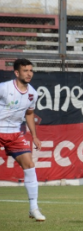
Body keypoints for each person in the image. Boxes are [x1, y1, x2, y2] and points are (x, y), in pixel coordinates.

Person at [0, 58, 45, 221]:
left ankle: (34, 208)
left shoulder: (33, 93)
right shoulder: (4, 88)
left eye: (31, 70)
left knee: (30, 165)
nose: (29, 74)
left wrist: (34, 136)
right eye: (25, 71)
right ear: (17, 72)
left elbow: (30, 114)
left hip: (15, 134)